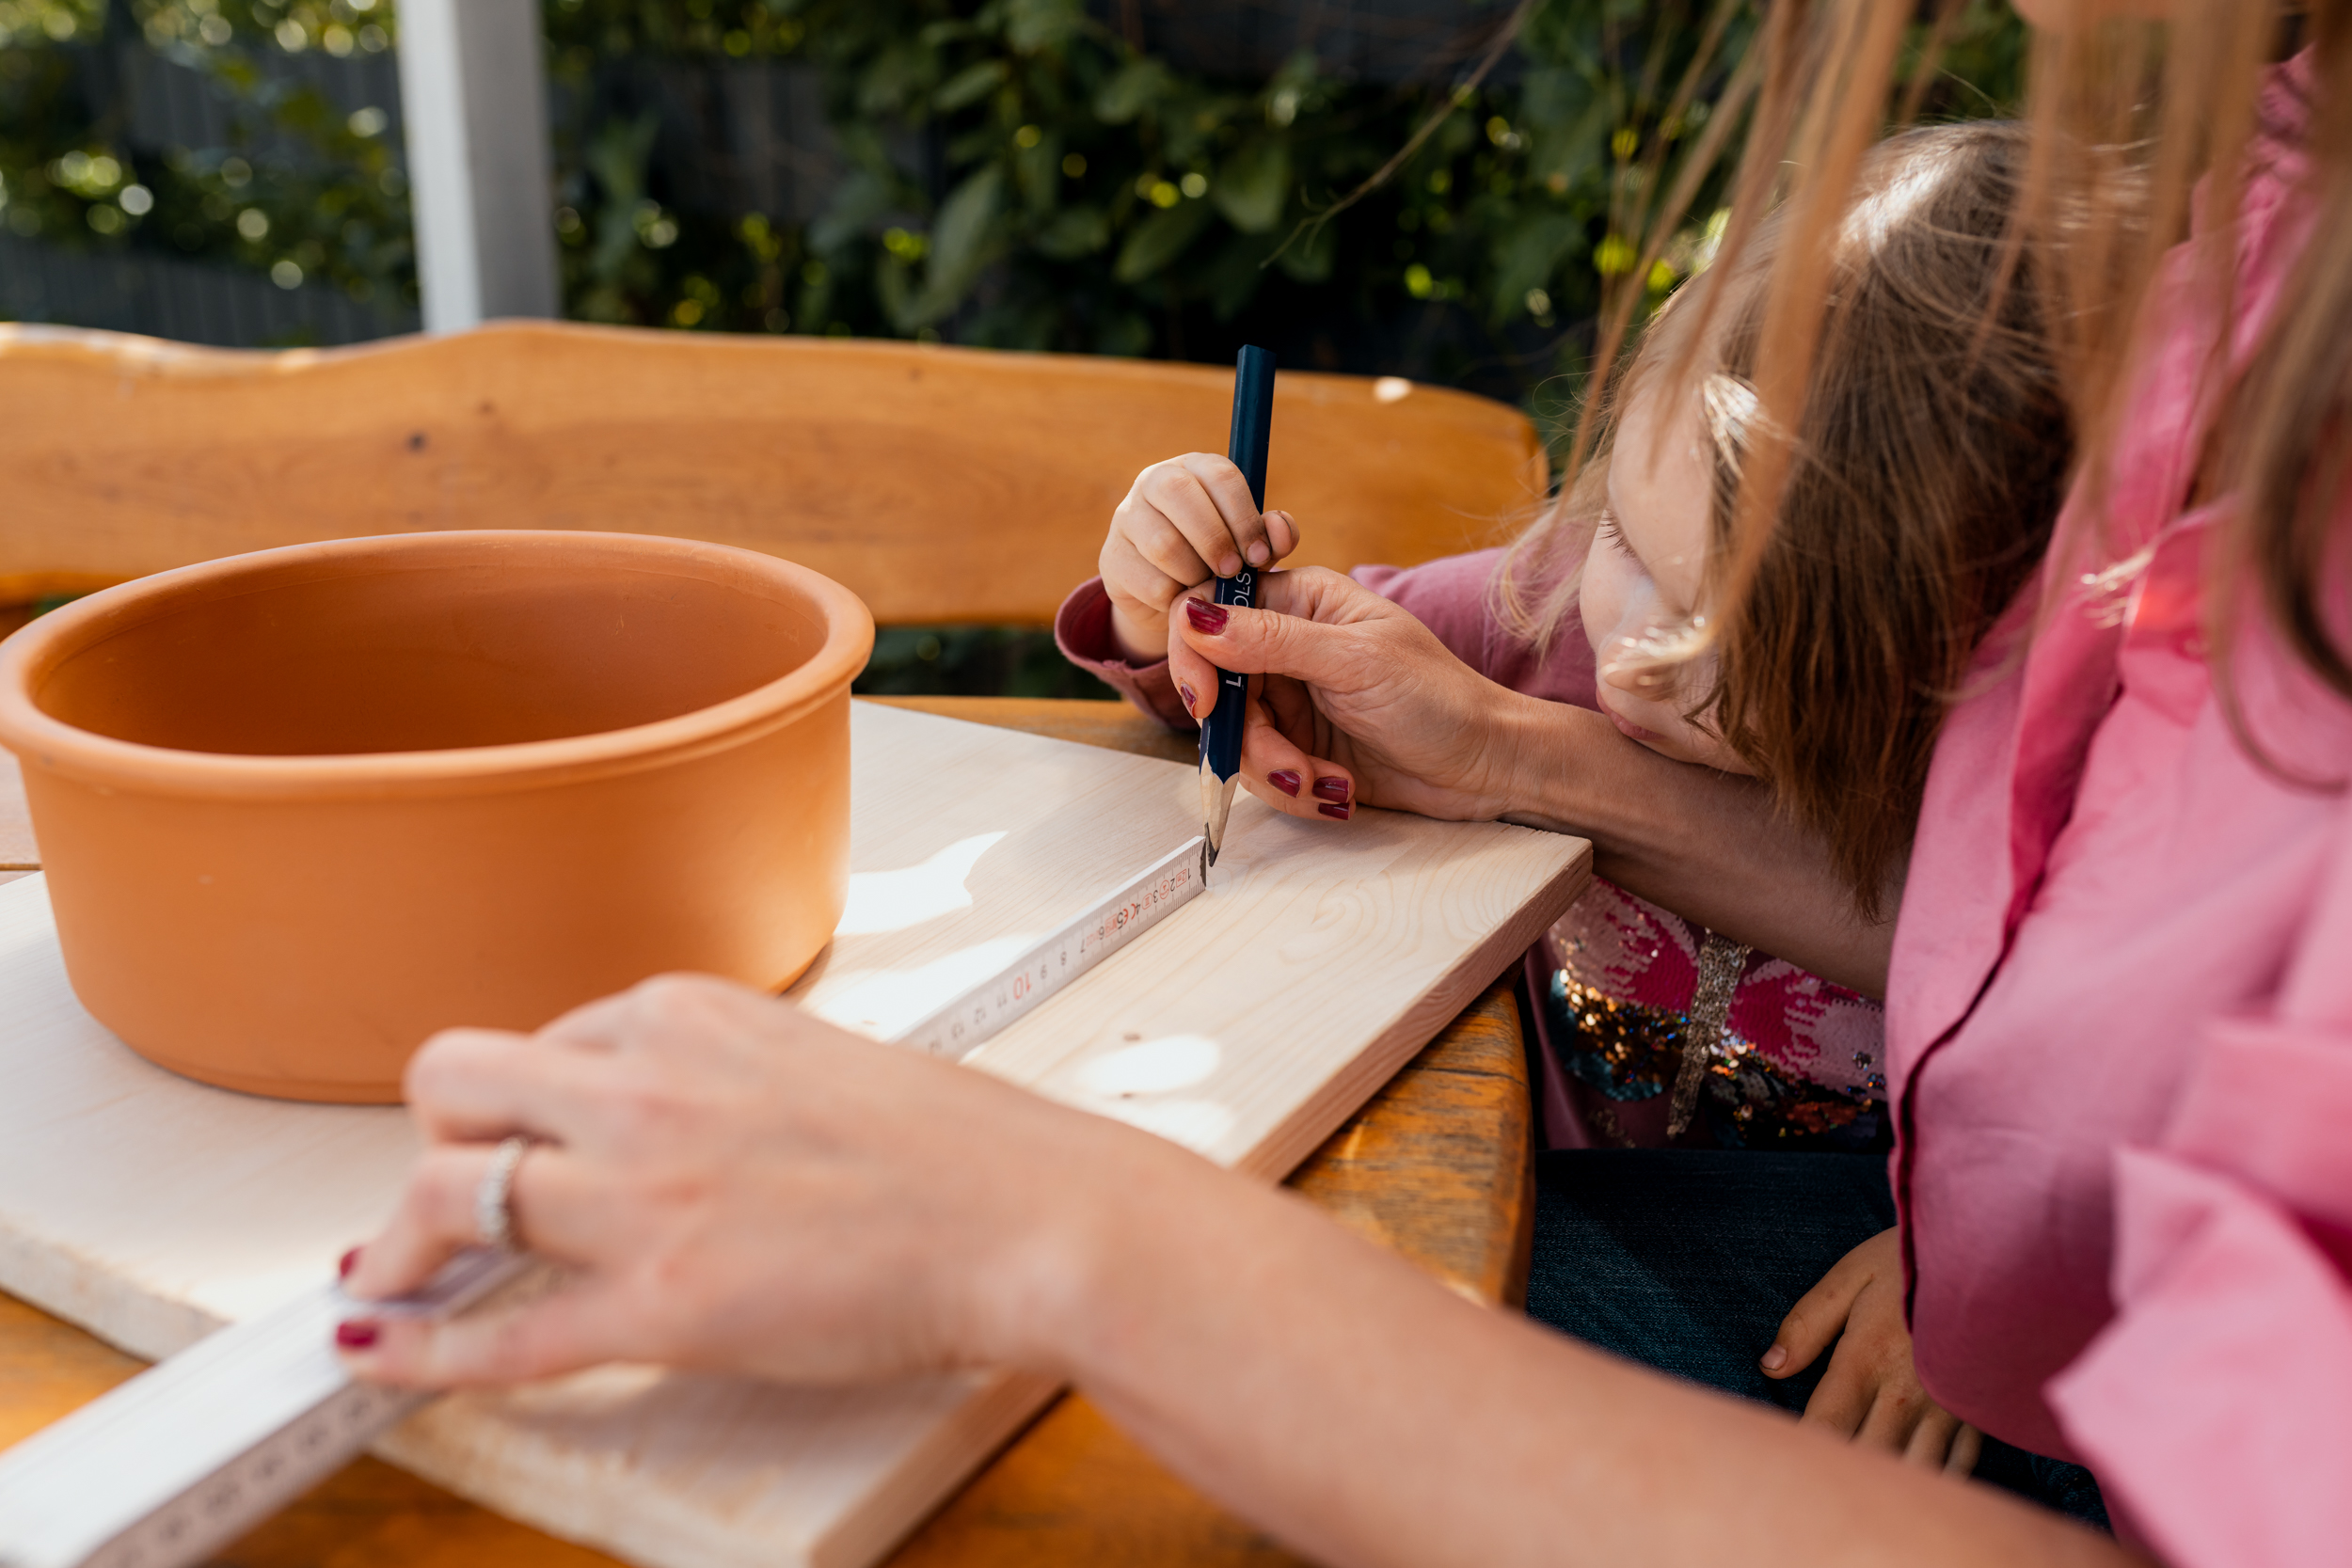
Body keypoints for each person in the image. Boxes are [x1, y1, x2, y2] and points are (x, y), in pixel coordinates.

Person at [335, 2, 2350, 1562]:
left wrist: (1983, 1265)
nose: (1639, 655)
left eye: (1735, 665)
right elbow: (1295, 644)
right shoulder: (2226, 221)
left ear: (1951, 662)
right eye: (1629, 568)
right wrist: (1184, 615)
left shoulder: (2082, 574)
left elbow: (2025, 987)